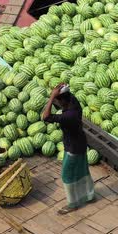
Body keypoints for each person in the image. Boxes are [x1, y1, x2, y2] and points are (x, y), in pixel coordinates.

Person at [42, 83, 94, 215]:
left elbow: (46, 117)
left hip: (73, 148)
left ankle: (72, 204)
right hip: (80, 143)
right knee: (82, 170)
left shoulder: (69, 116)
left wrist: (51, 97)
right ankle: (89, 195)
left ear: (62, 100)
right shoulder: (73, 101)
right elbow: (65, 95)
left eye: (57, 100)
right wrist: (59, 91)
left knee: (67, 176)